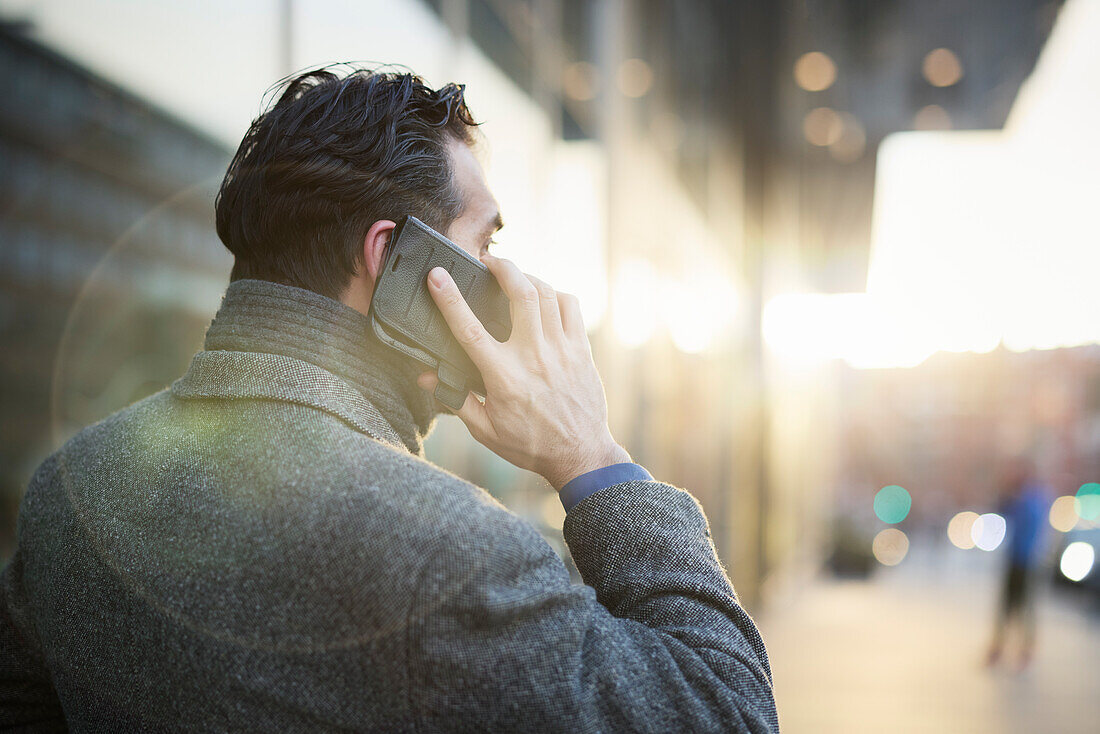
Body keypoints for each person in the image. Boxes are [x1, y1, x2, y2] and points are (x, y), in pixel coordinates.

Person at [0, 68, 777, 732]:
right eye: (486, 247)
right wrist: (592, 457)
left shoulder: (70, 490)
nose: (505, 284)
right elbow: (728, 711)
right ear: (395, 262)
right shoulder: (444, 549)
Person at [985, 458, 1048, 671]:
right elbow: (1001, 511)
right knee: (1007, 606)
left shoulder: (1032, 499)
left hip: (1027, 561)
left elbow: (1027, 522)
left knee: (1024, 607)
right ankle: (1000, 646)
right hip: (1015, 559)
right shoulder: (1021, 498)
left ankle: (1025, 649)